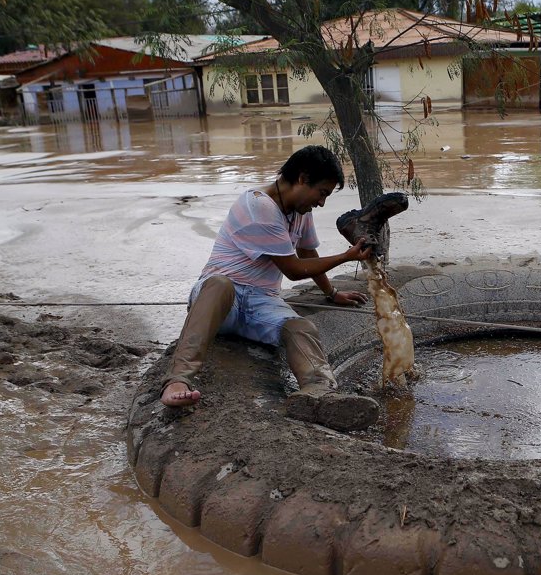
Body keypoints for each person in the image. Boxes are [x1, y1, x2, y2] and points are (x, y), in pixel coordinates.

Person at [160, 145, 380, 432]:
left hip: (261, 301)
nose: (322, 203)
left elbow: (308, 253)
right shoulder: (258, 205)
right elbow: (294, 269)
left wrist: (332, 293)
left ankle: (320, 393)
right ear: (302, 179)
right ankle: (178, 379)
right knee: (220, 284)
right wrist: (346, 256)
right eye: (322, 193)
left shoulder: (300, 211)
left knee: (300, 327)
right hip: (222, 301)